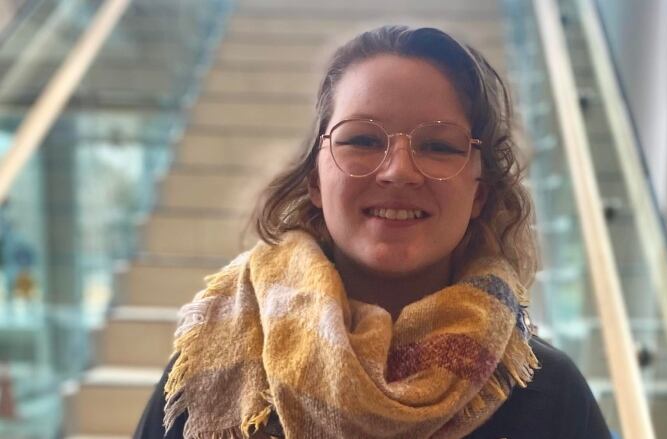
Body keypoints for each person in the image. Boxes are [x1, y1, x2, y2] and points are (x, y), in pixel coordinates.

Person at [134, 25, 610, 439]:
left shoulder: (549, 396)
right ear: (316, 181)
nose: (399, 171)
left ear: (479, 194)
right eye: (362, 139)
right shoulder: (210, 375)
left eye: (438, 146)